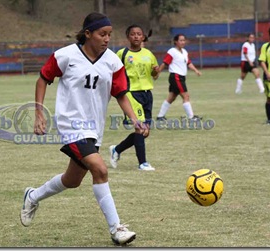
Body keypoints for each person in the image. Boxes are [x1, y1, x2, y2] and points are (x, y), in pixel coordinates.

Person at [20, 12, 145, 245]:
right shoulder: (65, 55)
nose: (107, 39)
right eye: (102, 34)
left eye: (109, 34)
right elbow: (42, 79)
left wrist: (135, 120)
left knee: (73, 180)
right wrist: (39, 112)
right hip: (71, 125)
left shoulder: (113, 62)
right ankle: (116, 229)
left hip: (94, 129)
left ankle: (33, 195)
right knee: (101, 170)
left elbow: (120, 94)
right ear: (88, 34)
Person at [109, 24, 159, 171]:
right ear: (128, 37)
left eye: (139, 34)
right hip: (131, 93)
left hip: (147, 95)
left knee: (145, 132)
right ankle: (142, 163)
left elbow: (154, 76)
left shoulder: (149, 54)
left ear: (143, 37)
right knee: (139, 129)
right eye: (133, 34)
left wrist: (156, 72)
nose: (136, 36)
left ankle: (116, 150)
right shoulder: (121, 54)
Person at [155, 34, 201, 121]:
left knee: (171, 97)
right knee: (186, 96)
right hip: (176, 77)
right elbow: (165, 63)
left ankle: (160, 116)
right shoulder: (172, 51)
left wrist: (195, 70)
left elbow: (188, 63)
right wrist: (158, 73)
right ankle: (191, 117)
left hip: (181, 77)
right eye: (181, 40)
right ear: (176, 41)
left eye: (184, 40)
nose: (183, 42)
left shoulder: (184, 52)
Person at [258, 26, 270, 124]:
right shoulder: (266, 46)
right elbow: (262, 61)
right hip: (269, 77)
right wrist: (267, 73)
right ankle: (269, 119)